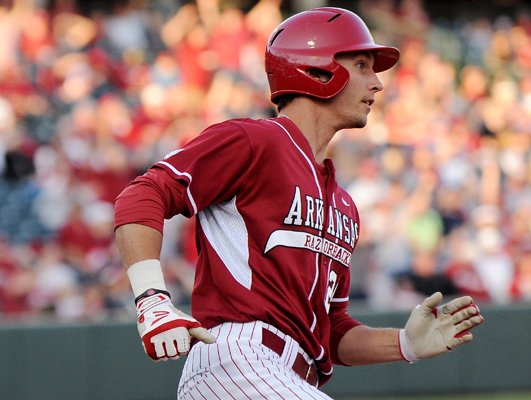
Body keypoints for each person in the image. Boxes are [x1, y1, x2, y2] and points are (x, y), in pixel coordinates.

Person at [114, 7, 484, 399]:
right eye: (361, 65)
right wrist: (152, 299)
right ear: (317, 71)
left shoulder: (343, 203)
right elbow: (142, 195)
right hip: (239, 359)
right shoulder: (254, 140)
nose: (377, 83)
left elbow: (331, 328)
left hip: (286, 374)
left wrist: (403, 344)